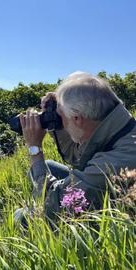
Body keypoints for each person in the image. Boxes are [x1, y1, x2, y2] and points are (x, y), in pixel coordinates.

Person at [18, 72, 136, 220]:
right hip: (107, 187)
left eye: (61, 116)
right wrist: (60, 115)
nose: (60, 120)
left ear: (76, 118)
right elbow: (80, 159)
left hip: (119, 218)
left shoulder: (113, 162)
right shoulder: (118, 125)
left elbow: (53, 207)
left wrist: (34, 148)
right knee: (49, 166)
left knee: (22, 217)